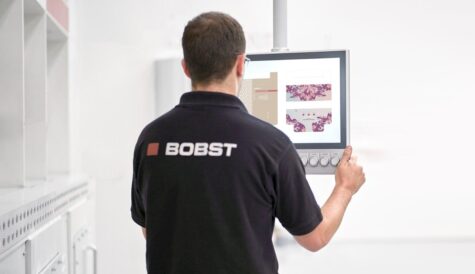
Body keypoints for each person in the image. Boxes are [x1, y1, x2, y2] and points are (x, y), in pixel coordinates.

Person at [130, 11, 365, 274]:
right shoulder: (271, 145)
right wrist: (345, 187)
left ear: (185, 67)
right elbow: (315, 237)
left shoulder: (151, 139)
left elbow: (151, 230)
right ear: (241, 64)